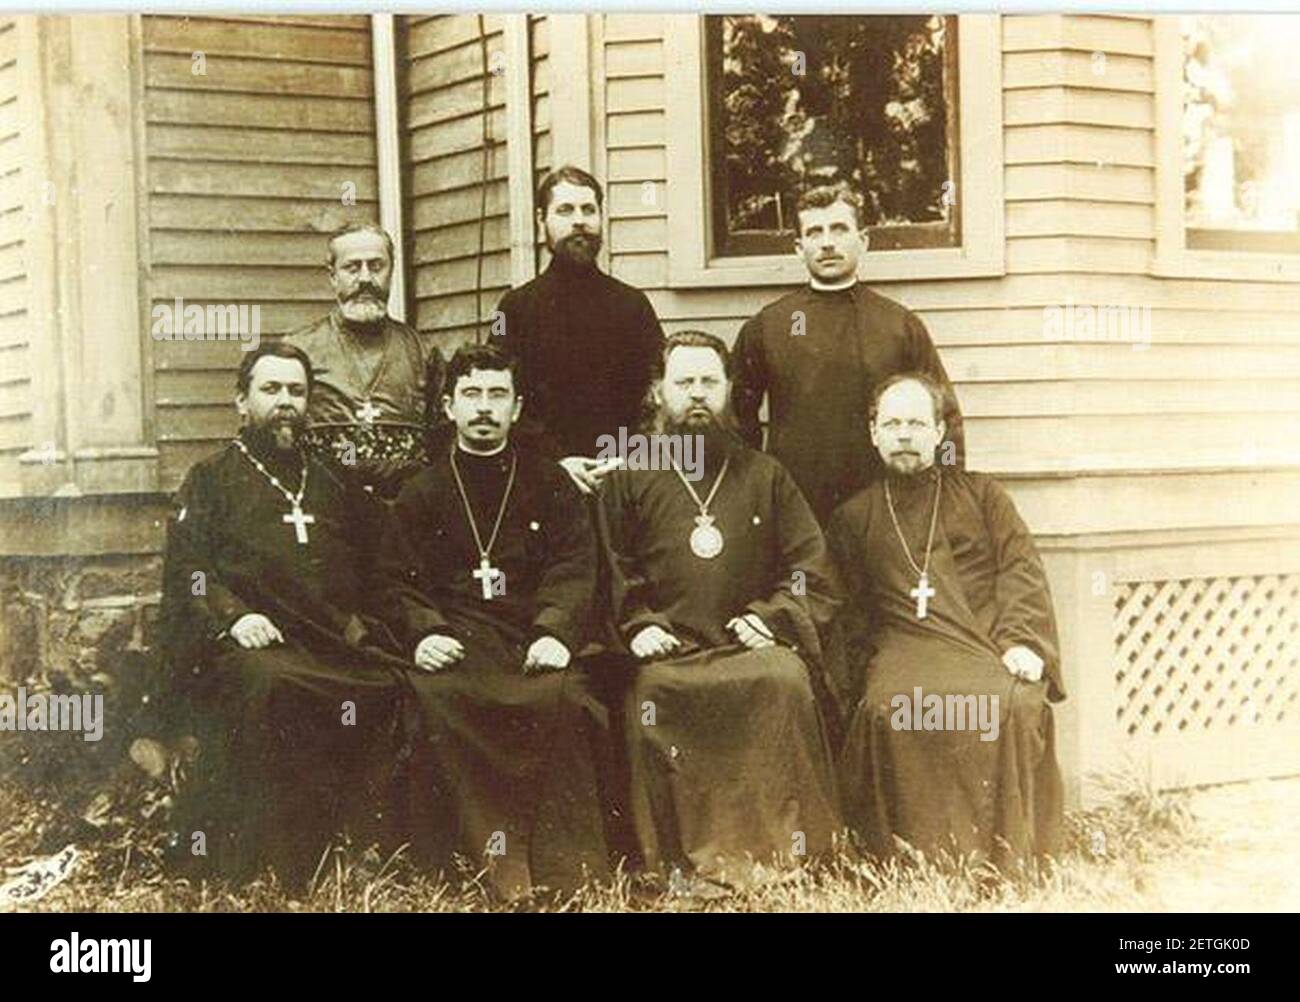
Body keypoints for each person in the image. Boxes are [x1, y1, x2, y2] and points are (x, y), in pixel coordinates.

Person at [157, 342, 415, 886]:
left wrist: (371, 624)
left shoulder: (332, 481)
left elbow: (380, 567)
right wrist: (233, 616)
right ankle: (274, 856)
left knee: (391, 683)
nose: (285, 403)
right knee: (273, 685)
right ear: (241, 402)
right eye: (271, 390)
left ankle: (367, 844)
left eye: (296, 392)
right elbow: (191, 572)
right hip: (248, 645)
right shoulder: (209, 480)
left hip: (327, 641)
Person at [600, 330, 843, 890]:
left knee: (784, 680)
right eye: (684, 382)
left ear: (731, 390)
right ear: (659, 391)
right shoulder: (631, 474)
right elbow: (610, 567)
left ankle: (785, 855)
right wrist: (638, 627)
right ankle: (678, 863)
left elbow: (812, 566)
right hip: (671, 651)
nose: (697, 395)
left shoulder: (765, 475)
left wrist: (775, 617)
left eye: (710, 381)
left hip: (746, 646)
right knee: (654, 694)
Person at [374, 343, 610, 899]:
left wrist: (555, 630)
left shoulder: (550, 483)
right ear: (449, 407)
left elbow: (576, 564)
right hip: (457, 636)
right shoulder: (421, 491)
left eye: (497, 395)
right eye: (472, 395)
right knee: (437, 697)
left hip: (531, 636)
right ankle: (460, 865)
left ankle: (562, 869)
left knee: (569, 697)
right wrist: (425, 630)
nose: (484, 408)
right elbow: (394, 580)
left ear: (517, 407)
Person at [826, 373, 1064, 867]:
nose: (905, 434)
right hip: (902, 646)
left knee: (1013, 704)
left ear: (939, 432)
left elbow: (1021, 569)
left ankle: (1003, 855)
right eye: (892, 423)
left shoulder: (983, 496)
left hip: (983, 642)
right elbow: (845, 611)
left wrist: (1022, 641)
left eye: (917, 422)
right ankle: (907, 858)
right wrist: (857, 671)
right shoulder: (854, 516)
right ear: (873, 433)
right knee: (885, 708)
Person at [732, 185, 965, 524]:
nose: (827, 242)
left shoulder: (898, 325)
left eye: (839, 229)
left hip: (887, 512)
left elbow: (947, 418)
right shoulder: (772, 325)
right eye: (815, 232)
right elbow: (739, 421)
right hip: (797, 513)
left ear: (864, 240)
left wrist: (946, 496)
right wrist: (753, 497)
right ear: (800, 248)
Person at [494, 165, 664, 497]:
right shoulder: (513, 309)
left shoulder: (633, 305)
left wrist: (625, 458)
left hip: (624, 480)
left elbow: (658, 396)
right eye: (565, 210)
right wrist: (556, 462)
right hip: (543, 482)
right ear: (542, 220)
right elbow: (502, 396)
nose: (579, 220)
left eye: (589, 209)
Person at [286, 222, 445, 499]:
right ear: (333, 276)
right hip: (324, 507)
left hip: (403, 512)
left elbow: (443, 444)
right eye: (352, 267)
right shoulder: (298, 351)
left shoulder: (423, 353)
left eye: (376, 266)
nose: (365, 279)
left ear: (391, 272)